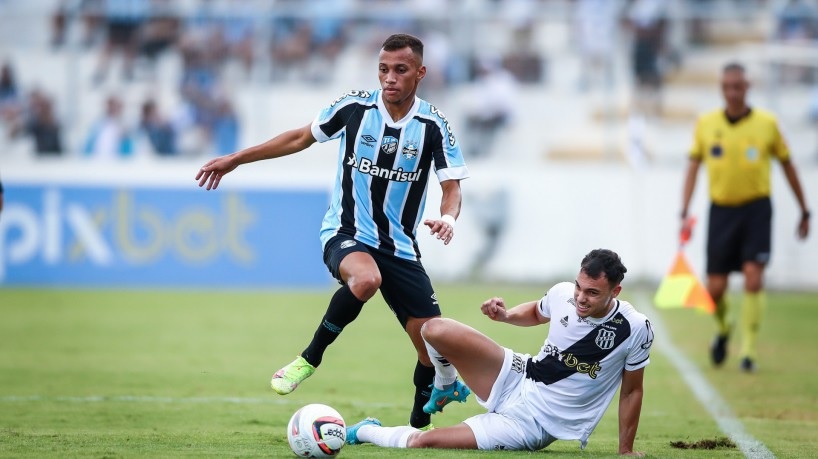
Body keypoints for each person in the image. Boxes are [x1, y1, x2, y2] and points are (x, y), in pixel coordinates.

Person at [195, 33, 470, 430]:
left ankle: (418, 426)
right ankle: (309, 359)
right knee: (366, 278)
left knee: (432, 343)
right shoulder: (354, 107)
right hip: (346, 232)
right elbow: (299, 137)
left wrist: (449, 218)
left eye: (400, 70)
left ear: (420, 73)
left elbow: (452, 188)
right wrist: (237, 159)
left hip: (400, 247)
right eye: (383, 69)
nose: (389, 78)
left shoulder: (433, 126)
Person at [344, 249, 653, 455]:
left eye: (592, 293)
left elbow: (632, 392)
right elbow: (536, 311)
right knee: (433, 330)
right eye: (579, 287)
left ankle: (366, 431)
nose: (580, 298)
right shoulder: (563, 294)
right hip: (519, 375)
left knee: (424, 441)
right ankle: (447, 384)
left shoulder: (635, 328)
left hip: (532, 425)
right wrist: (506, 315)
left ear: (615, 292)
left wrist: (625, 450)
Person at [680, 62, 811, 373]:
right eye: (727, 87)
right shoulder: (706, 124)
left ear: (747, 88)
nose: (733, 93)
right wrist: (684, 211)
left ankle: (748, 352)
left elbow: (788, 165)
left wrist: (804, 209)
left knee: (754, 278)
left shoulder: (767, 124)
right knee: (714, 290)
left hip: (756, 210)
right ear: (722, 89)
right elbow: (693, 167)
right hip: (721, 212)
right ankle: (724, 328)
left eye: (738, 87)